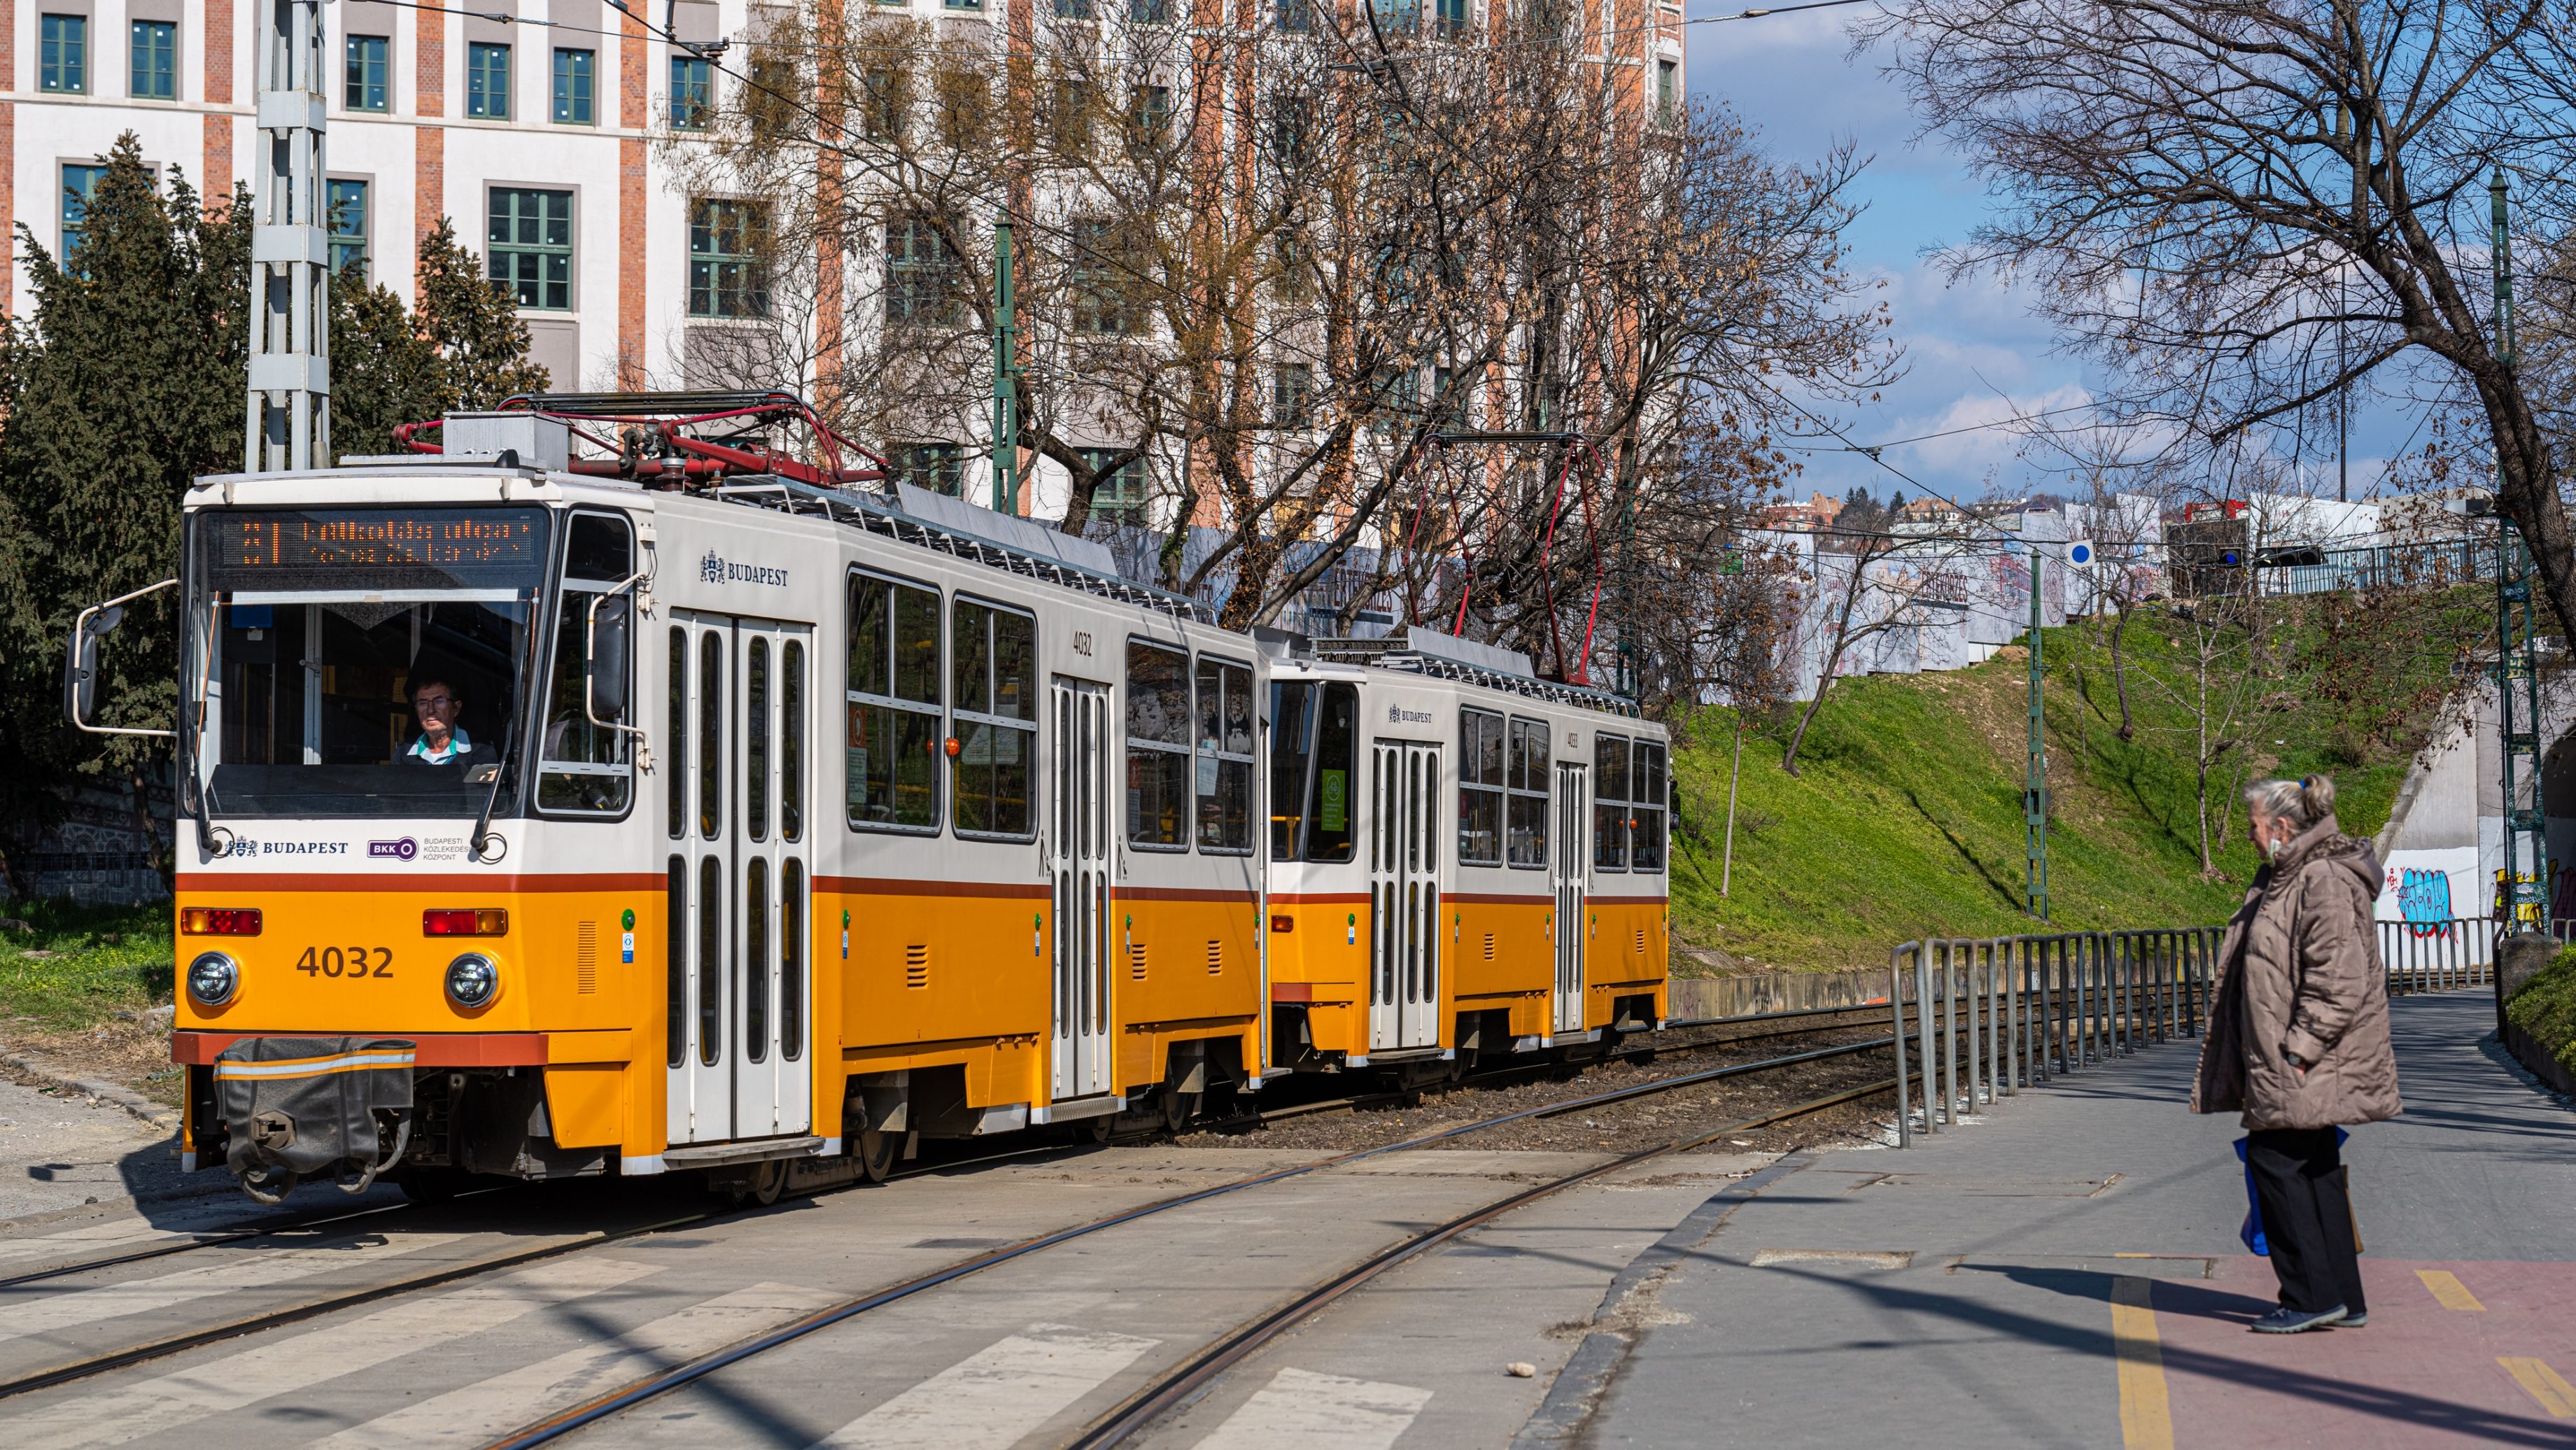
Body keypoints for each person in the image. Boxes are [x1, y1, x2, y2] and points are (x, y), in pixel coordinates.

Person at [2192, 773, 2402, 1334]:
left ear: (2282, 827)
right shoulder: (2292, 876)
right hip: (2296, 1054)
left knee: (2275, 1162)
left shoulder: (2320, 880)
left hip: (2303, 1058)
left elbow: (2338, 976)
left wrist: (2299, 1049)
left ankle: (2309, 1296)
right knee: (2314, 1166)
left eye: (2254, 827)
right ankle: (2341, 1296)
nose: (2249, 837)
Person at [405, 677, 474, 765]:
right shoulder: (404, 752)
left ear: (456, 708)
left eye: (439, 701)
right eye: (423, 703)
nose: (430, 710)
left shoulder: (478, 750)